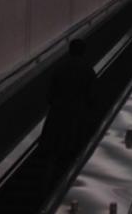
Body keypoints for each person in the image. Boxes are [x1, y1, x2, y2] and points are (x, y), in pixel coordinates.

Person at [39, 38, 96, 187]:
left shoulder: (59, 68)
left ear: (70, 50)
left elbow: (50, 95)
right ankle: (64, 185)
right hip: (76, 117)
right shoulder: (88, 70)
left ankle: (46, 185)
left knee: (52, 153)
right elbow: (91, 97)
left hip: (56, 115)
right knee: (70, 152)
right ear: (83, 52)